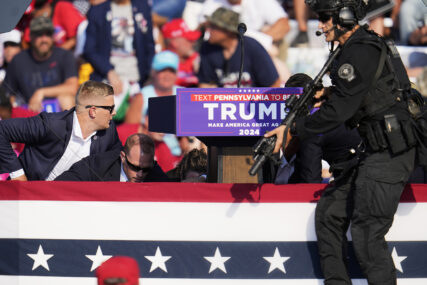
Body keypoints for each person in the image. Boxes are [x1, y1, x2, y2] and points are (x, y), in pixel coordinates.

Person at [265, 0, 418, 283]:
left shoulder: (358, 51)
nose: (320, 25)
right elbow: (366, 92)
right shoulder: (360, 46)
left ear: (345, 18)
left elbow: (341, 112)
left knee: (368, 233)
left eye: (325, 18)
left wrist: (293, 129)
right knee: (330, 213)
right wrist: (328, 94)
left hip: (388, 152)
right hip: (375, 148)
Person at [0, 80, 121, 181]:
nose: (114, 113)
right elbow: (2, 130)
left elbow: (119, 160)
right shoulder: (51, 124)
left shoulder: (109, 133)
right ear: (93, 111)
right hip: (25, 198)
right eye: (110, 108)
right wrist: (18, 176)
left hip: (67, 204)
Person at [3, 16, 79, 112]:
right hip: (30, 113)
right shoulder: (18, 60)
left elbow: (72, 88)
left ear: (53, 36)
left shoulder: (64, 55)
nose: (44, 39)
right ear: (30, 37)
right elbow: (8, 94)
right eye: (39, 35)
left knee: (66, 99)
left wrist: (41, 92)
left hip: (59, 113)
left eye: (47, 34)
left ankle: (70, 127)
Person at [83, 0, 155, 94]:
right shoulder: (98, 11)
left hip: (137, 80)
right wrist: (109, 71)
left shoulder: (142, 8)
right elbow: (89, 50)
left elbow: (149, 46)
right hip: (107, 80)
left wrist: (149, 76)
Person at [197, 7, 281, 88]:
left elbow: (274, 84)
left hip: (254, 100)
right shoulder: (207, 48)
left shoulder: (252, 47)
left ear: (228, 31)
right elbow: (205, 85)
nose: (208, 30)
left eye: (213, 27)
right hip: (224, 101)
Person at [55, 133, 170, 182]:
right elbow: (61, 185)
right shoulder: (97, 165)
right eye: (134, 167)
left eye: (146, 169)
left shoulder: (156, 174)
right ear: (123, 157)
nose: (140, 174)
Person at [162, 18, 201, 87]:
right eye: (189, 40)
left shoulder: (197, 59)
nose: (193, 44)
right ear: (174, 42)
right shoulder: (160, 62)